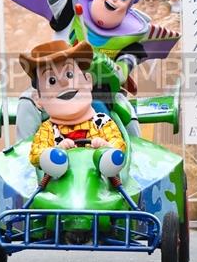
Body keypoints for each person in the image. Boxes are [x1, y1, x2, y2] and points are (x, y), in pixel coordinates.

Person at [20, 40, 126, 178]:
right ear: (38, 98)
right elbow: (36, 154)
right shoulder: (48, 129)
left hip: (100, 184)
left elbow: (118, 143)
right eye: (52, 81)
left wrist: (106, 146)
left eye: (69, 75)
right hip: (62, 189)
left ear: (88, 81)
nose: (63, 82)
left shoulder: (102, 121)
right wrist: (55, 152)